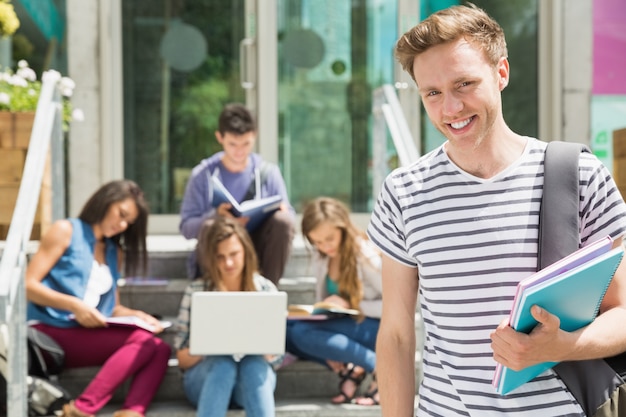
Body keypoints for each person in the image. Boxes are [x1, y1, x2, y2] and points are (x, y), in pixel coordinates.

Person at [367, 3, 626, 417]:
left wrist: (564, 346)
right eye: (432, 93)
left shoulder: (578, 174)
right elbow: (397, 335)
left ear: (501, 73)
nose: (450, 108)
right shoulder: (403, 191)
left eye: (464, 84)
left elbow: (623, 312)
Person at [25, 179, 172, 417]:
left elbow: (111, 308)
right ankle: (81, 409)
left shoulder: (115, 253)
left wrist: (139, 316)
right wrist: (74, 305)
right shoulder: (65, 231)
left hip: (86, 334)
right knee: (143, 341)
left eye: (128, 222)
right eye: (121, 214)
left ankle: (132, 411)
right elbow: (28, 285)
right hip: (50, 329)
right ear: (106, 200)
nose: (122, 225)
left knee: (160, 347)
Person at [173, 216, 281, 417]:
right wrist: (210, 345)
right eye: (220, 257)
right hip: (205, 381)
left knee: (254, 364)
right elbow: (181, 359)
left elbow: (276, 360)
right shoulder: (197, 291)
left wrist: (262, 347)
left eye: (234, 254)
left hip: (248, 383)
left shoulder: (265, 290)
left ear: (246, 252)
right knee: (223, 363)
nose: (228, 262)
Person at [179, 103, 295, 284]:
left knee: (283, 221)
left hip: (257, 250)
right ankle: (216, 290)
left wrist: (281, 211)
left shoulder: (269, 172)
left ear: (254, 136)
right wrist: (216, 216)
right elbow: (186, 227)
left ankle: (267, 290)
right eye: (233, 144)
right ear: (220, 137)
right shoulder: (202, 175)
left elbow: (290, 222)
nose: (240, 151)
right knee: (210, 226)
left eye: (246, 144)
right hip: (219, 249)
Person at [286, 197, 382, 405]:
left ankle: (376, 365)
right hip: (342, 325)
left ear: (343, 228)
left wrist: (353, 305)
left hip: (372, 326)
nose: (324, 246)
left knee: (302, 333)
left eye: (329, 239)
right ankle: (350, 364)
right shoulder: (322, 256)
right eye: (317, 242)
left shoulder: (365, 254)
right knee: (285, 330)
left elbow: (395, 305)